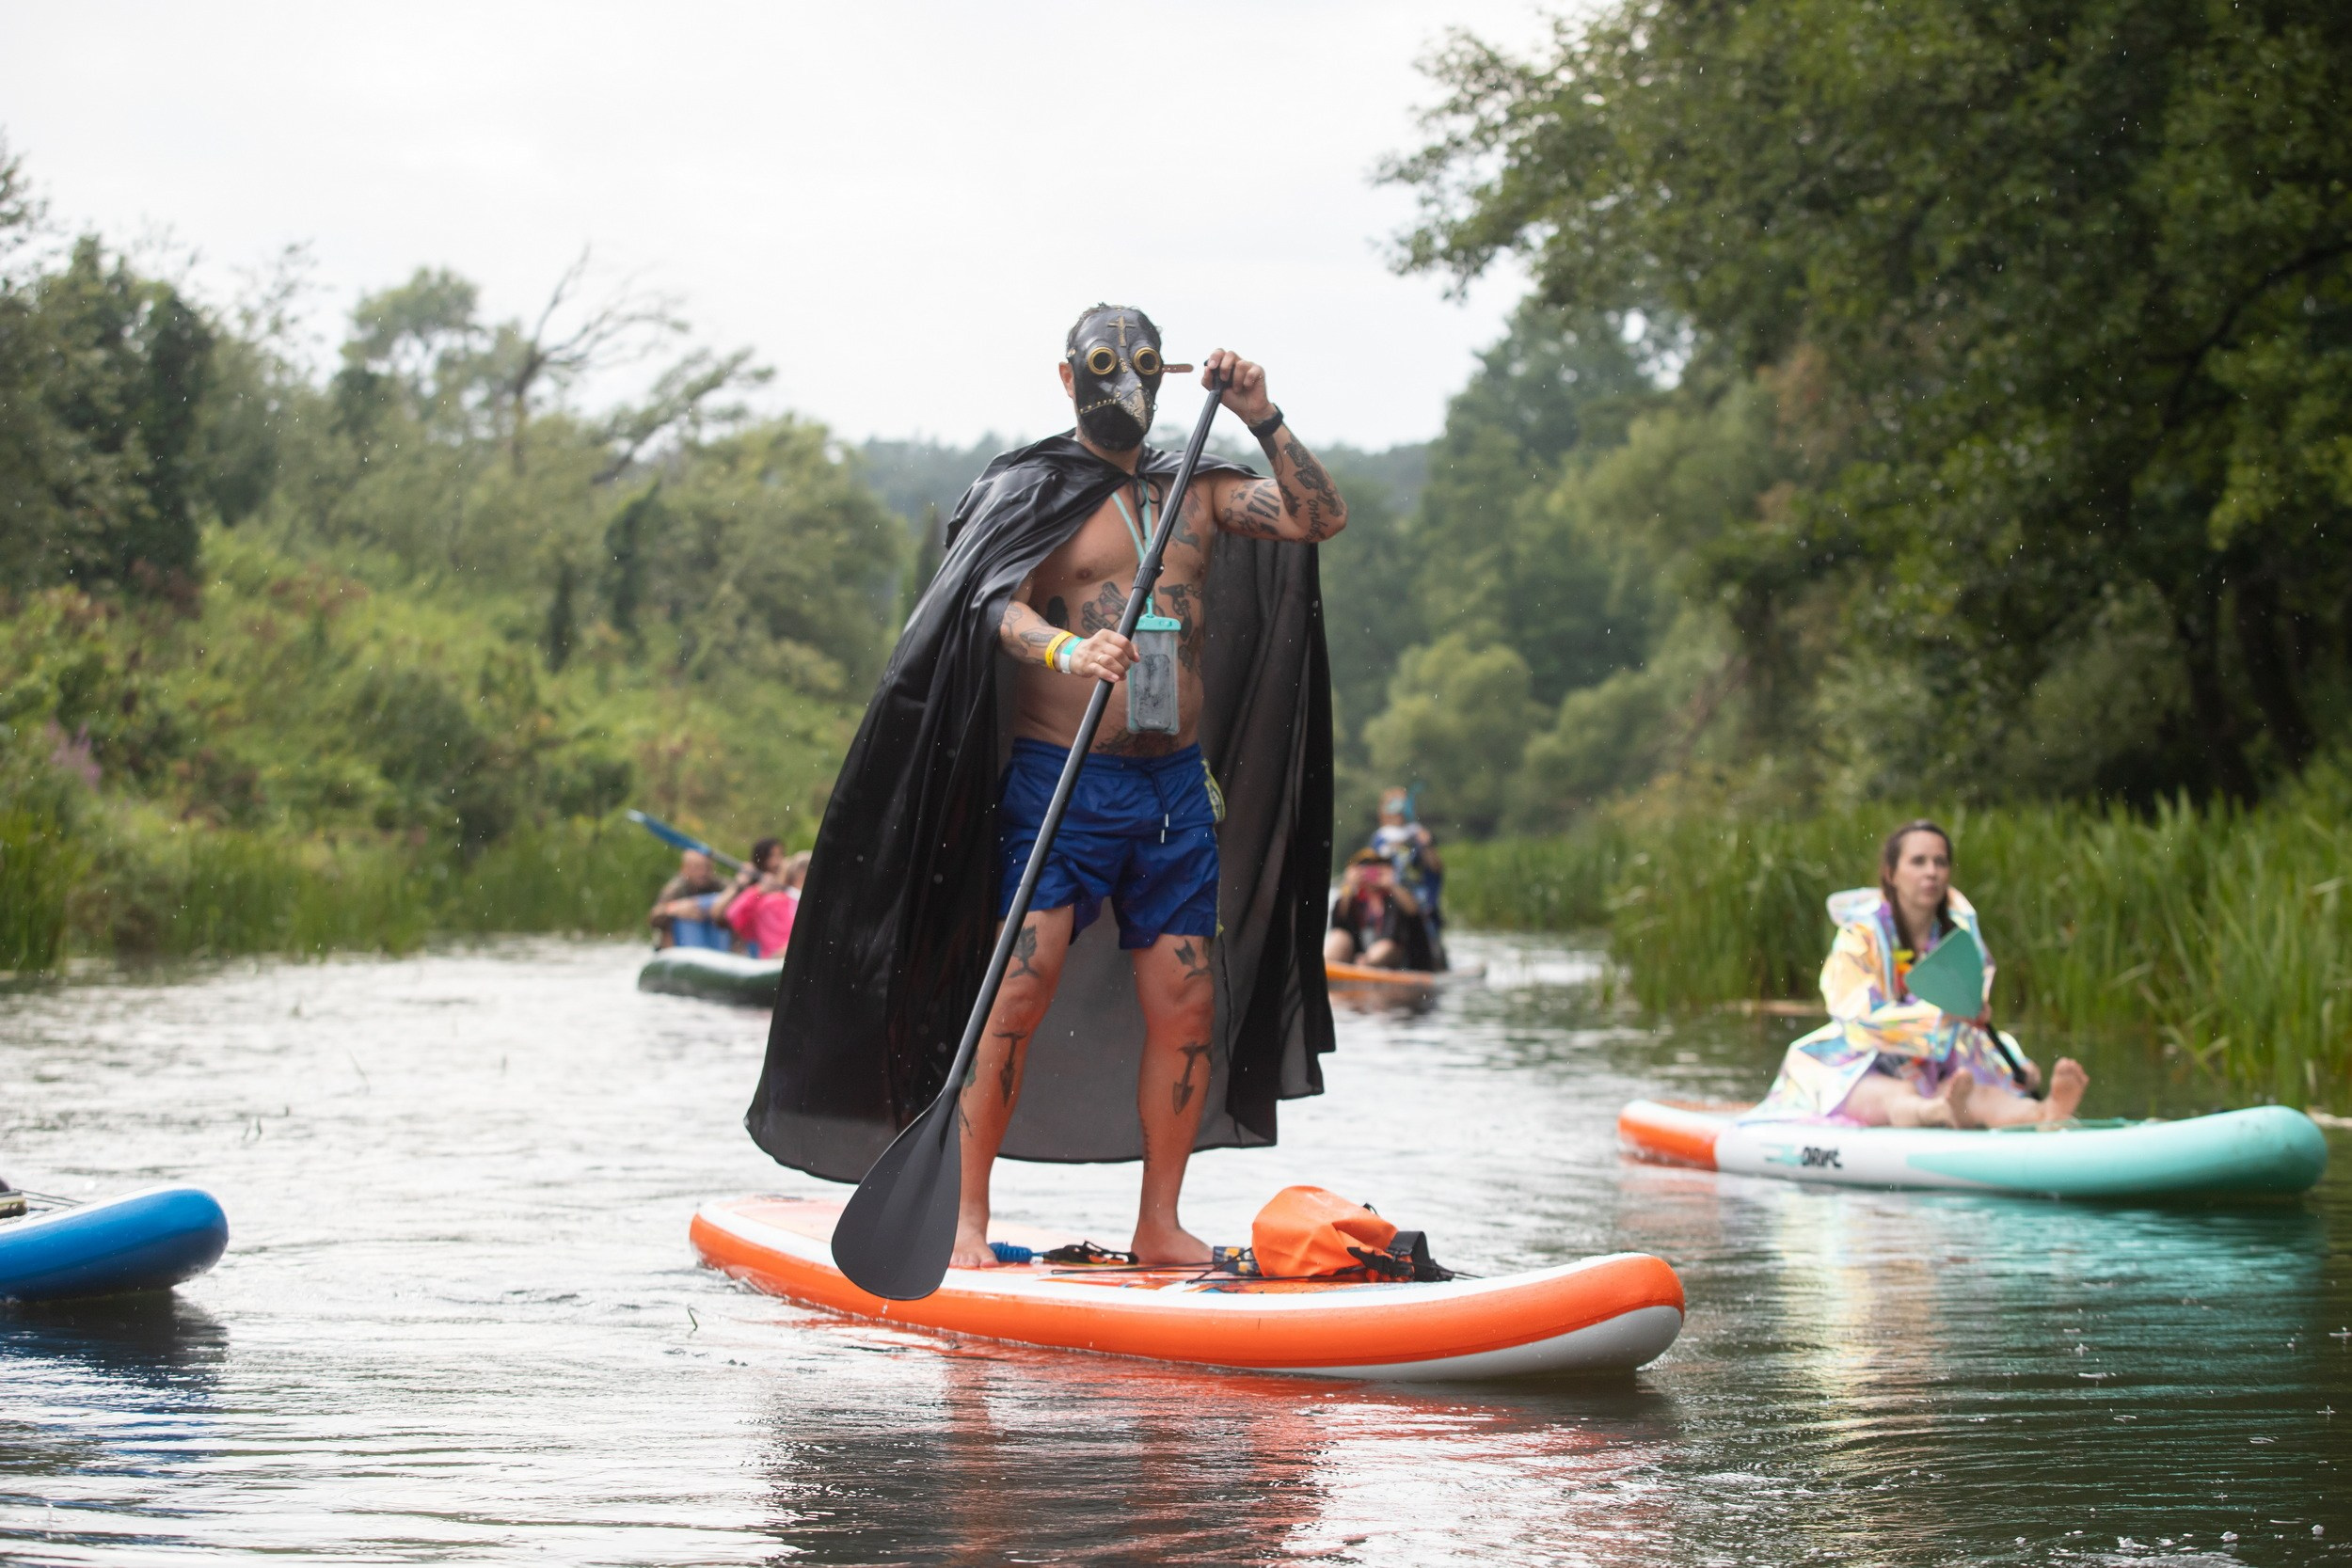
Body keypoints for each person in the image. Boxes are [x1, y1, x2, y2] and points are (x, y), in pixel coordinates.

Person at [747, 305, 1346, 1269]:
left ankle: (1159, 1223)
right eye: (1104, 366)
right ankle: (964, 1216)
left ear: (1164, 375)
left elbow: (1319, 517)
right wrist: (1068, 648)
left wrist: (1262, 415)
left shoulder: (1197, 488)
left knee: (1187, 1007)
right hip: (1059, 782)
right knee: (1015, 993)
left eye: (1141, 365)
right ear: (1068, 379)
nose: (1124, 382)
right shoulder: (1029, 489)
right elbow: (989, 604)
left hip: (1170, 793)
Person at [1755, 820, 2089, 1128]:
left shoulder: (1956, 935)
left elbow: (1972, 1023)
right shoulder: (1860, 934)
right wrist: (1939, 1017)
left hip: (1939, 1067)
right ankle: (1938, 1111)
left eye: (1940, 862)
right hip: (1862, 1063)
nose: (1932, 872)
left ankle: (2046, 1112)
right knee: (1899, 1095)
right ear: (1891, 874)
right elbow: (1855, 1015)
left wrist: (2015, 1064)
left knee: (1981, 1094)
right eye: (1918, 862)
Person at [1366, 786, 1445, 965]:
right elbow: (1370, 873)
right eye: (1391, 806)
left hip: (1419, 905)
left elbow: (1435, 868)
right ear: (1383, 813)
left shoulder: (1418, 835)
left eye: (1402, 806)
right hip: (1389, 908)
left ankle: (1433, 960)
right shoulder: (1379, 839)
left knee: (1425, 932)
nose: (1397, 813)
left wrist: (1426, 844)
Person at [1323, 849, 1437, 971]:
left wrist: (1392, 885)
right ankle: (1324, 969)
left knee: (1385, 947)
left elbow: (1413, 912)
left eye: (1375, 867)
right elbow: (1339, 920)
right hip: (1357, 956)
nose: (1369, 872)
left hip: (1397, 959)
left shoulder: (1397, 895)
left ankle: (1366, 963)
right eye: (1363, 868)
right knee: (1338, 937)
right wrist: (1348, 886)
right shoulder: (1351, 899)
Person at [724, 849, 809, 960]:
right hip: (776, 964)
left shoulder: (807, 903)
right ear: (802, 874)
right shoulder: (773, 902)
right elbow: (732, 915)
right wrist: (757, 890)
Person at [648, 848, 725, 950]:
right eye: (697, 867)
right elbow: (654, 917)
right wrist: (674, 909)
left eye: (707, 867)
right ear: (684, 869)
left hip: (714, 940)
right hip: (677, 945)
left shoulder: (721, 886)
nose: (703, 872)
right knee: (671, 921)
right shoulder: (675, 889)